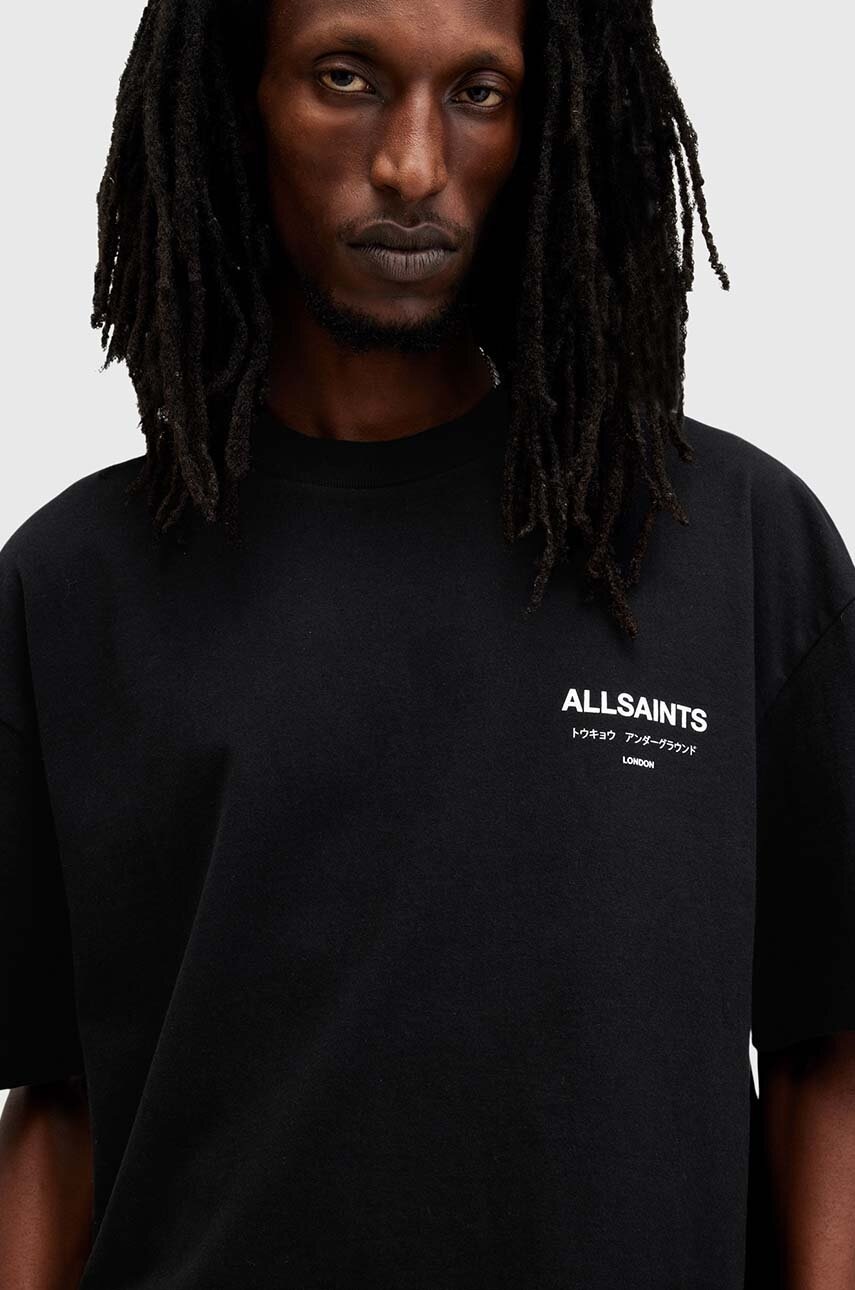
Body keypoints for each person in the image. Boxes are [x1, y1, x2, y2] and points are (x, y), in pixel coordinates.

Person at [1, 0, 853, 1284]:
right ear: (239, 99)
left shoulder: (732, 545)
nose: (411, 164)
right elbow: (58, 1106)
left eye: (479, 93)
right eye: (346, 78)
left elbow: (826, 1054)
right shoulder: (73, 587)